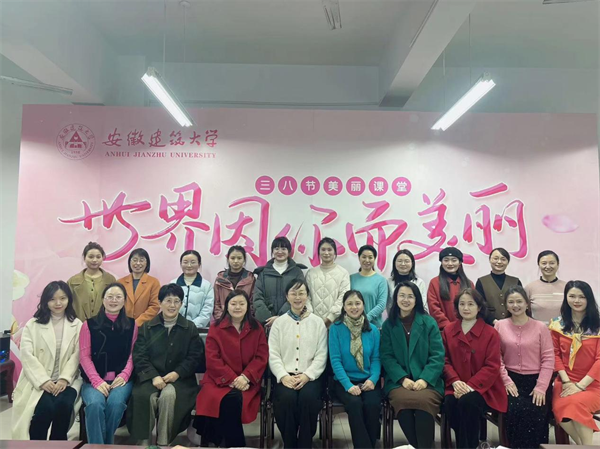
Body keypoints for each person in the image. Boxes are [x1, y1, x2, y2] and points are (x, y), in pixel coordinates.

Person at [127, 283, 205, 446]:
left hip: (181, 380)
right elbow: (140, 355)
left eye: (177, 301)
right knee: (145, 397)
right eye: (168, 301)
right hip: (150, 378)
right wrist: (154, 376)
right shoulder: (147, 327)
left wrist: (177, 373)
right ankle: (144, 442)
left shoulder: (189, 328)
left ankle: (164, 442)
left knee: (168, 396)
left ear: (181, 304)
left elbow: (195, 357)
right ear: (160, 302)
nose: (172, 305)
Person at [194, 290, 268, 447]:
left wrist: (245, 377)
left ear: (248, 306)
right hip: (217, 380)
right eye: (233, 304)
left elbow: (261, 357)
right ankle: (235, 445)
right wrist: (232, 379)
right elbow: (212, 359)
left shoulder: (257, 328)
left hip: (248, 382)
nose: (237, 307)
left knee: (232, 399)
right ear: (227, 306)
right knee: (222, 399)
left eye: (241, 303)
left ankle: (222, 443)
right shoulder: (216, 328)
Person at [12, 281, 83, 440]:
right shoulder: (33, 324)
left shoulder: (77, 324)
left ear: (69, 299)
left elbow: (77, 355)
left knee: (64, 407)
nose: (58, 303)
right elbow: (27, 355)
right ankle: (37, 445)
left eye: (63, 298)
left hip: (68, 380)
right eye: (52, 299)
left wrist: (64, 378)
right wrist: (43, 380)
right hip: (38, 380)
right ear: (45, 301)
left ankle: (58, 444)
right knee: (44, 409)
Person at [381, 282, 444, 449]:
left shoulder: (429, 323)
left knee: (424, 402)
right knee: (403, 402)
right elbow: (386, 356)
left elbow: (437, 355)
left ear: (417, 300)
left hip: (428, 382)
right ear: (395, 299)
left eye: (410, 296)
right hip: (398, 382)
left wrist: (424, 379)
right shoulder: (389, 325)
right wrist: (402, 379)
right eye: (402, 296)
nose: (406, 300)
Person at [442, 288, 507, 449]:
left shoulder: (490, 333)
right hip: (455, 385)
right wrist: (455, 381)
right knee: (450, 403)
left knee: (468, 402)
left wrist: (470, 386)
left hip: (484, 389)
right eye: (462, 304)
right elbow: (443, 360)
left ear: (479, 307)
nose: (466, 308)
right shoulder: (448, 330)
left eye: (471, 304)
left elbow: (492, 365)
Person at [269, 279, 328, 449]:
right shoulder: (279, 323)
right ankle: (289, 443)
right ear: (287, 296)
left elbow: (321, 354)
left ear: (307, 296)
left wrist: (307, 375)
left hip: (310, 377)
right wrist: (283, 376)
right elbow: (273, 354)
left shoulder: (317, 322)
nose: (297, 297)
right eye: (293, 293)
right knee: (286, 399)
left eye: (301, 293)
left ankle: (305, 443)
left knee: (308, 398)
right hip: (285, 376)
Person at [494, 286, 554, 449]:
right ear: (506, 305)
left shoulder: (540, 327)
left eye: (519, 301)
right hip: (511, 380)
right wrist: (506, 381)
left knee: (537, 411)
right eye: (511, 302)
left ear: (527, 304)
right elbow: (496, 357)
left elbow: (548, 359)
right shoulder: (500, 325)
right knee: (515, 410)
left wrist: (541, 387)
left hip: (537, 380)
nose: (516, 305)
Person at [79, 282, 137, 444]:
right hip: (93, 381)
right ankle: (99, 446)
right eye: (110, 297)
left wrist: (125, 375)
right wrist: (96, 381)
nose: (114, 300)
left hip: (121, 380)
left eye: (118, 297)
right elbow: (84, 357)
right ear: (103, 300)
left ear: (124, 300)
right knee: (94, 405)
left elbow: (133, 355)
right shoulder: (89, 325)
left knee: (116, 403)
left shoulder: (132, 325)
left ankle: (106, 443)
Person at [549, 280, 600, 445]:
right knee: (559, 408)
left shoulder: (598, 325)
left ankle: (584, 446)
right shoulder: (557, 324)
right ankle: (585, 446)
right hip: (565, 380)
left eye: (581, 297)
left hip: (593, 382)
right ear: (566, 298)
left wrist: (580, 386)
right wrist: (567, 382)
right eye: (572, 296)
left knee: (575, 404)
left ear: (589, 299)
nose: (576, 300)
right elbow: (555, 355)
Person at [329, 290, 381, 449]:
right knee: (354, 404)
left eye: (357, 303)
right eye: (349, 304)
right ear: (344, 307)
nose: (354, 307)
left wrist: (373, 380)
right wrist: (348, 385)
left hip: (368, 380)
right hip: (344, 381)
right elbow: (335, 361)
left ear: (363, 305)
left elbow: (376, 359)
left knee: (372, 404)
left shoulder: (373, 330)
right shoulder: (336, 328)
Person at [253, 236, 307, 326]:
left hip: (291, 322)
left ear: (289, 251)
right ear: (272, 251)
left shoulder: (296, 272)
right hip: (267, 324)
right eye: (276, 248)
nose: (280, 252)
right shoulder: (263, 273)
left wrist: (281, 317)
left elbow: (299, 296)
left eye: (283, 248)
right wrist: (267, 319)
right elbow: (257, 297)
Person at [306, 237, 351, 327]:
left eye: (329, 250)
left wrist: (330, 318)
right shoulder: (311, 273)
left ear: (334, 252)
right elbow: (306, 296)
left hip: (335, 323)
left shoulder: (343, 273)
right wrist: (311, 316)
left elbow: (343, 296)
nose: (326, 253)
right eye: (323, 250)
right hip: (313, 323)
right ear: (319, 252)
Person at [427, 247, 474, 331]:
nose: (450, 263)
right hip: (444, 330)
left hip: (467, 329)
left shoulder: (469, 283)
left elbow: (474, 306)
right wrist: (448, 326)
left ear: (460, 262)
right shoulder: (434, 283)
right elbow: (434, 308)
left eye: (454, 260)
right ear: (441, 262)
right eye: (446, 260)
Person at [68, 242, 116, 321]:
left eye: (98, 257)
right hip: (79, 324)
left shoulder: (110, 280)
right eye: (91, 257)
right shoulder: (73, 282)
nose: (94, 260)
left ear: (102, 258)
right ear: (84, 258)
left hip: (104, 324)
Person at [475, 247, 522, 323]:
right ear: (490, 260)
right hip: (489, 324)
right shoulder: (481, 282)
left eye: (503, 259)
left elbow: (520, 303)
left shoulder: (516, 281)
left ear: (508, 262)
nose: (499, 262)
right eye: (496, 258)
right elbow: (480, 305)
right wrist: (493, 321)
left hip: (513, 323)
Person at [171, 250, 214, 328]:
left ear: (199, 264)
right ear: (181, 264)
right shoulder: (173, 284)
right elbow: (168, 307)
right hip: (175, 328)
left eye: (193, 262)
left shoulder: (207, 286)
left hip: (198, 330)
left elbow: (207, 310)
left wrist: (192, 326)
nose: (189, 265)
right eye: (185, 262)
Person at [118, 248, 160, 326]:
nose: (138, 263)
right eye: (135, 260)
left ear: (147, 263)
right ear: (130, 262)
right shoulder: (120, 282)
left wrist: (137, 323)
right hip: (123, 325)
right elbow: (117, 304)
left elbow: (155, 306)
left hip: (145, 326)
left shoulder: (154, 282)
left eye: (141, 260)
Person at [213, 246, 256, 322]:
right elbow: (216, 304)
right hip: (223, 322)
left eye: (239, 258)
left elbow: (252, 303)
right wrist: (223, 321)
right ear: (228, 259)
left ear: (244, 260)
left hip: (245, 322)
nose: (236, 261)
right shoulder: (220, 279)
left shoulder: (251, 279)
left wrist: (244, 320)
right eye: (232, 258)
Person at [349, 244, 388, 328]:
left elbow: (381, 305)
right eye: (364, 257)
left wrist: (366, 318)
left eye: (370, 257)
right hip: (353, 325)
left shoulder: (381, 280)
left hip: (374, 326)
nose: (367, 260)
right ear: (359, 258)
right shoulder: (351, 278)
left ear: (374, 259)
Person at [525, 250, 567, 323]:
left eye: (552, 263)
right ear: (538, 265)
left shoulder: (566, 287)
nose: (548, 266)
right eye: (544, 263)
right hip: (536, 329)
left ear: (558, 264)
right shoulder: (529, 288)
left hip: (562, 329)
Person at [388, 249, 428, 313]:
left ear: (412, 263)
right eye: (399, 261)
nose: (403, 264)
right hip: (394, 317)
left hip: (415, 317)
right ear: (394, 263)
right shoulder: (388, 282)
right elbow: (388, 304)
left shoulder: (419, 282)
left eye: (406, 261)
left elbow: (422, 304)